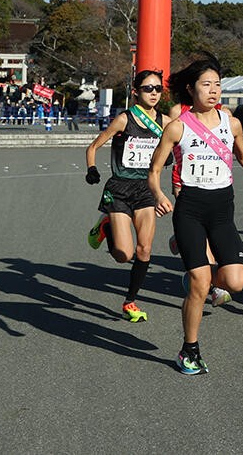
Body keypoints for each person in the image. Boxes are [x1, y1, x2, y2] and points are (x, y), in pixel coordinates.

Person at [147, 57, 243, 375]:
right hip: (190, 208)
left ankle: (199, 274)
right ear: (191, 89)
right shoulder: (177, 127)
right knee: (199, 282)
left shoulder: (230, 122)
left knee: (234, 282)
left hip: (222, 210)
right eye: (206, 84)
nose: (214, 90)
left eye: (218, 84)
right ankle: (188, 350)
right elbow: (153, 171)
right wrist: (160, 195)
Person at [84, 69, 167, 323]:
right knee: (123, 255)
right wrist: (92, 169)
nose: (153, 93)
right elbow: (94, 146)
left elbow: (164, 162)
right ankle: (106, 225)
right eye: (147, 88)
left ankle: (130, 301)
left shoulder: (164, 122)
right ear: (136, 92)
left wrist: (163, 193)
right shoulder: (124, 119)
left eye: (157, 89)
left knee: (144, 250)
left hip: (145, 190)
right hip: (119, 188)